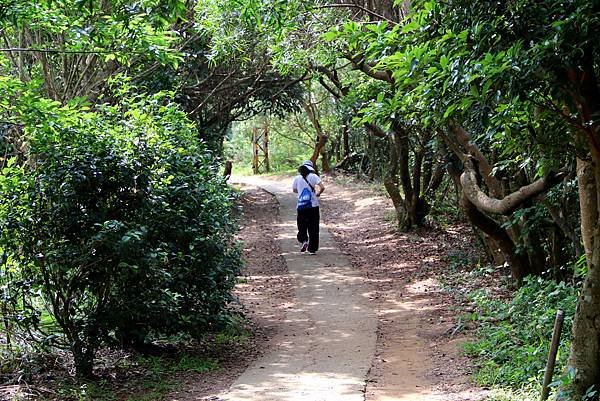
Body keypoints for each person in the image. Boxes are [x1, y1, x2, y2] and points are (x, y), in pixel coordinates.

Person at [292, 160, 325, 255]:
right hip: (313, 206)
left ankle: (304, 241)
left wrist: (302, 193)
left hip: (301, 206)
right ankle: (312, 249)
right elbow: (322, 187)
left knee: (302, 225)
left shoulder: (297, 178)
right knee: (313, 227)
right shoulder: (314, 176)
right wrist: (318, 193)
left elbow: (294, 190)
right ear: (311, 168)